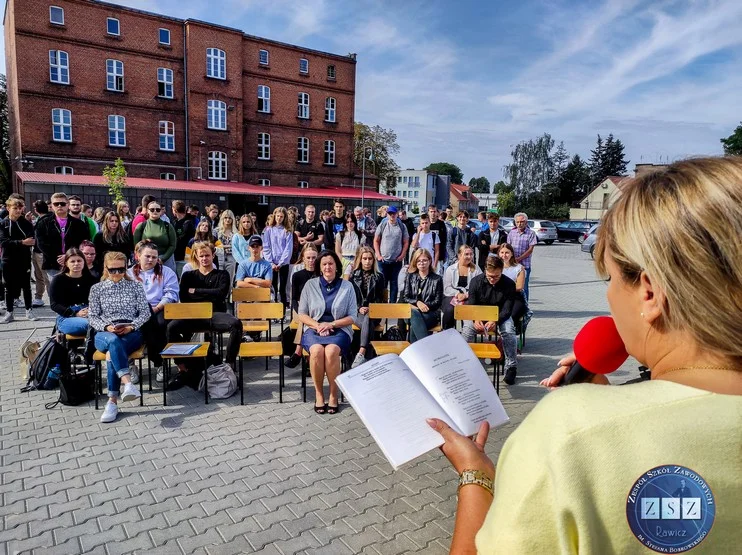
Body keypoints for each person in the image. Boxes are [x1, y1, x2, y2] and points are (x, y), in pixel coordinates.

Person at [430, 157, 742, 554]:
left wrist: (476, 475)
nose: (609, 296)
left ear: (649, 293)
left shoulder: (568, 433)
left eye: (611, 279)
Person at [167, 242, 242, 389]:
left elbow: (221, 294)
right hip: (193, 315)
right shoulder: (188, 275)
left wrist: (196, 291)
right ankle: (183, 368)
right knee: (171, 327)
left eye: (207, 255)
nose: (204, 258)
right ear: (196, 256)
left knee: (236, 324)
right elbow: (185, 296)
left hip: (215, 314)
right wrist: (209, 295)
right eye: (201, 256)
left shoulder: (222, 274)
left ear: (213, 255)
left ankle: (229, 365)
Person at [88, 251, 150, 423]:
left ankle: (112, 402)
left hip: (130, 331)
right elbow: (92, 316)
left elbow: (145, 313)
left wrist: (131, 327)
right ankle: (128, 383)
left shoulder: (135, 286)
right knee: (113, 341)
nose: (117, 273)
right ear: (106, 269)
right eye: (112, 270)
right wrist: (107, 326)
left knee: (111, 353)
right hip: (104, 332)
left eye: (121, 269)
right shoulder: (97, 289)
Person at [296, 250, 357, 414]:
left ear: (337, 266)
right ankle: (318, 394)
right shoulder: (310, 285)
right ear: (320, 267)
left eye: (331, 263)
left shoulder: (347, 286)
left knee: (331, 351)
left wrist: (331, 324)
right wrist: (318, 326)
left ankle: (333, 394)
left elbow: (353, 316)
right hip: (314, 329)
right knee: (316, 351)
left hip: (340, 329)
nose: (328, 267)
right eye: (324, 264)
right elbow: (302, 314)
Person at [128, 240, 179, 384]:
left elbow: (171, 293)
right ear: (138, 256)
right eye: (147, 256)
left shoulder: (166, 272)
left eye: (154, 257)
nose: (151, 260)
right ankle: (131, 364)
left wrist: (156, 308)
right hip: (136, 311)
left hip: (160, 308)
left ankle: (159, 364)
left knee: (161, 324)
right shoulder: (129, 273)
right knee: (130, 327)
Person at [35, 192, 89, 281]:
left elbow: (83, 243)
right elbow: (42, 244)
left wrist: (68, 256)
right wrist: (60, 258)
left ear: (68, 205)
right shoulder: (43, 223)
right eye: (56, 204)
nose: (59, 206)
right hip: (53, 264)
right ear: (51, 206)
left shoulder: (79, 224)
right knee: (56, 292)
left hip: (74, 262)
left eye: (62, 204)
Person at [0, 196, 37, 323]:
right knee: (8, 287)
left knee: (26, 286)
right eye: (15, 208)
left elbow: (31, 240)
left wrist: (20, 243)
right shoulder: (3, 224)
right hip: (8, 260)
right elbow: (4, 242)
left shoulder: (26, 223)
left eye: (20, 208)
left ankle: (29, 310)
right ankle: (9, 312)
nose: (18, 211)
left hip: (24, 259)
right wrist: (21, 242)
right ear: (8, 208)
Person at [349, 246, 386, 368]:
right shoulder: (353, 276)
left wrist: (371, 308)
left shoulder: (379, 277)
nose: (367, 261)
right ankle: (364, 355)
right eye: (364, 258)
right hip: (357, 312)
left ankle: (361, 352)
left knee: (369, 317)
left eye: (370, 258)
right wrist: (359, 307)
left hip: (374, 312)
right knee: (366, 319)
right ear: (360, 260)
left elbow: (381, 299)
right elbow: (350, 298)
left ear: (373, 260)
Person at [285, 243, 319, 369]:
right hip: (299, 307)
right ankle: (309, 362)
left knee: (306, 320)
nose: (311, 261)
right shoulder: (297, 276)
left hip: (316, 308)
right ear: (303, 258)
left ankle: (298, 352)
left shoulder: (321, 275)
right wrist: (300, 311)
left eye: (314, 258)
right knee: (304, 319)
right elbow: (293, 298)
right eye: (308, 258)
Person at [49, 248, 97, 336]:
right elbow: (54, 304)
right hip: (67, 317)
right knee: (91, 324)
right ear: (66, 263)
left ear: (84, 262)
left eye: (79, 261)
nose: (76, 264)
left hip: (90, 313)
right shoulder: (58, 280)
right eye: (72, 261)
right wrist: (75, 313)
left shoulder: (92, 279)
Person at [399, 248, 443, 343]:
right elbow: (405, 297)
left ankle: (416, 353)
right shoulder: (410, 277)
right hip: (411, 313)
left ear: (430, 261)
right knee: (414, 314)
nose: (421, 263)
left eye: (424, 260)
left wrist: (424, 306)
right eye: (419, 261)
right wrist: (417, 303)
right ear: (415, 262)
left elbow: (438, 301)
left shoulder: (437, 279)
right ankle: (426, 347)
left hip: (430, 314)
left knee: (414, 324)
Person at [373, 206, 409, 303]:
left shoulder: (402, 226)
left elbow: (406, 242)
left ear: (397, 214)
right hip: (383, 261)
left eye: (394, 213)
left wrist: (402, 255)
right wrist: (378, 255)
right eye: (390, 214)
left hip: (396, 261)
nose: (392, 215)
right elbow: (376, 240)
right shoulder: (383, 224)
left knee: (394, 284)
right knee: (382, 284)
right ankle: (383, 303)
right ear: (387, 214)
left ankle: (392, 305)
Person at [442, 245, 481, 330]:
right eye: (466, 254)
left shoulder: (477, 269)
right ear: (459, 255)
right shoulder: (450, 269)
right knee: (450, 309)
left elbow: (479, 287)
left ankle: (467, 332)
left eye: (471, 254)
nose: (469, 256)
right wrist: (457, 294)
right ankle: (447, 331)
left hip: (470, 295)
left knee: (466, 309)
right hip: (452, 294)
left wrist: (467, 295)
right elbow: (447, 287)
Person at [262, 207, 293, 312]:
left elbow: (288, 248)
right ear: (274, 216)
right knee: (273, 287)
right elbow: (266, 246)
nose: (279, 218)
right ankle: (273, 310)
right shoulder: (268, 229)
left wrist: (281, 263)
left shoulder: (287, 231)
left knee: (282, 288)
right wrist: (271, 262)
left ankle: (282, 311)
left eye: (281, 216)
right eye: (277, 216)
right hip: (271, 263)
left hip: (283, 263)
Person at [133, 201, 177, 271]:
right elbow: (137, 246)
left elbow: (173, 245)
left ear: (161, 211)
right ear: (148, 211)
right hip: (147, 260)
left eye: (158, 209)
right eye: (152, 209)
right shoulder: (141, 226)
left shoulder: (168, 226)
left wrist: (163, 258)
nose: (155, 211)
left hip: (165, 260)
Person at [506, 212, 537, 301]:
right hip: (512, 265)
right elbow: (508, 248)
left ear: (526, 222)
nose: (519, 224)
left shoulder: (531, 233)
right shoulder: (511, 233)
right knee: (511, 285)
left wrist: (518, 259)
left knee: (524, 287)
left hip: (525, 265)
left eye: (522, 222)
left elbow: (530, 250)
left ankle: (525, 308)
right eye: (517, 222)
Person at [499, 242, 530, 326]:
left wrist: (503, 288)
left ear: (511, 254)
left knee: (511, 316)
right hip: (498, 296)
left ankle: (509, 333)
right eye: (502, 252)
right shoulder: (496, 267)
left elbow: (519, 286)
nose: (504, 255)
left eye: (507, 253)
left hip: (515, 297)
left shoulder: (519, 268)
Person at [31, 200, 49, 307]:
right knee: (39, 276)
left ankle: (52, 298)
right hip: (37, 251)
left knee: (45, 277)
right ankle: (38, 297)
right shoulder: (41, 219)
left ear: (36, 210)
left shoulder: (46, 220)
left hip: (42, 253)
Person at [171, 200, 196, 278]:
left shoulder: (188, 223)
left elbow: (182, 238)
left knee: (183, 277)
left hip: (184, 256)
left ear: (174, 210)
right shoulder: (174, 222)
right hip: (175, 255)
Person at [216, 210, 238, 286]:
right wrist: (229, 246)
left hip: (231, 258)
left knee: (230, 280)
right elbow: (215, 246)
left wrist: (222, 246)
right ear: (222, 218)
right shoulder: (216, 231)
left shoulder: (236, 232)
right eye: (225, 218)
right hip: (219, 257)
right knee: (218, 280)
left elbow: (236, 246)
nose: (227, 220)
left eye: (230, 218)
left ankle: (228, 297)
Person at [427, 205, 448, 272]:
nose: (433, 213)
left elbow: (444, 240)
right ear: (428, 213)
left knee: (439, 275)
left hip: (439, 256)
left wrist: (443, 254)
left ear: (437, 213)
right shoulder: (426, 224)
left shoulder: (441, 224)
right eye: (431, 211)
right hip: (427, 255)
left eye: (434, 211)